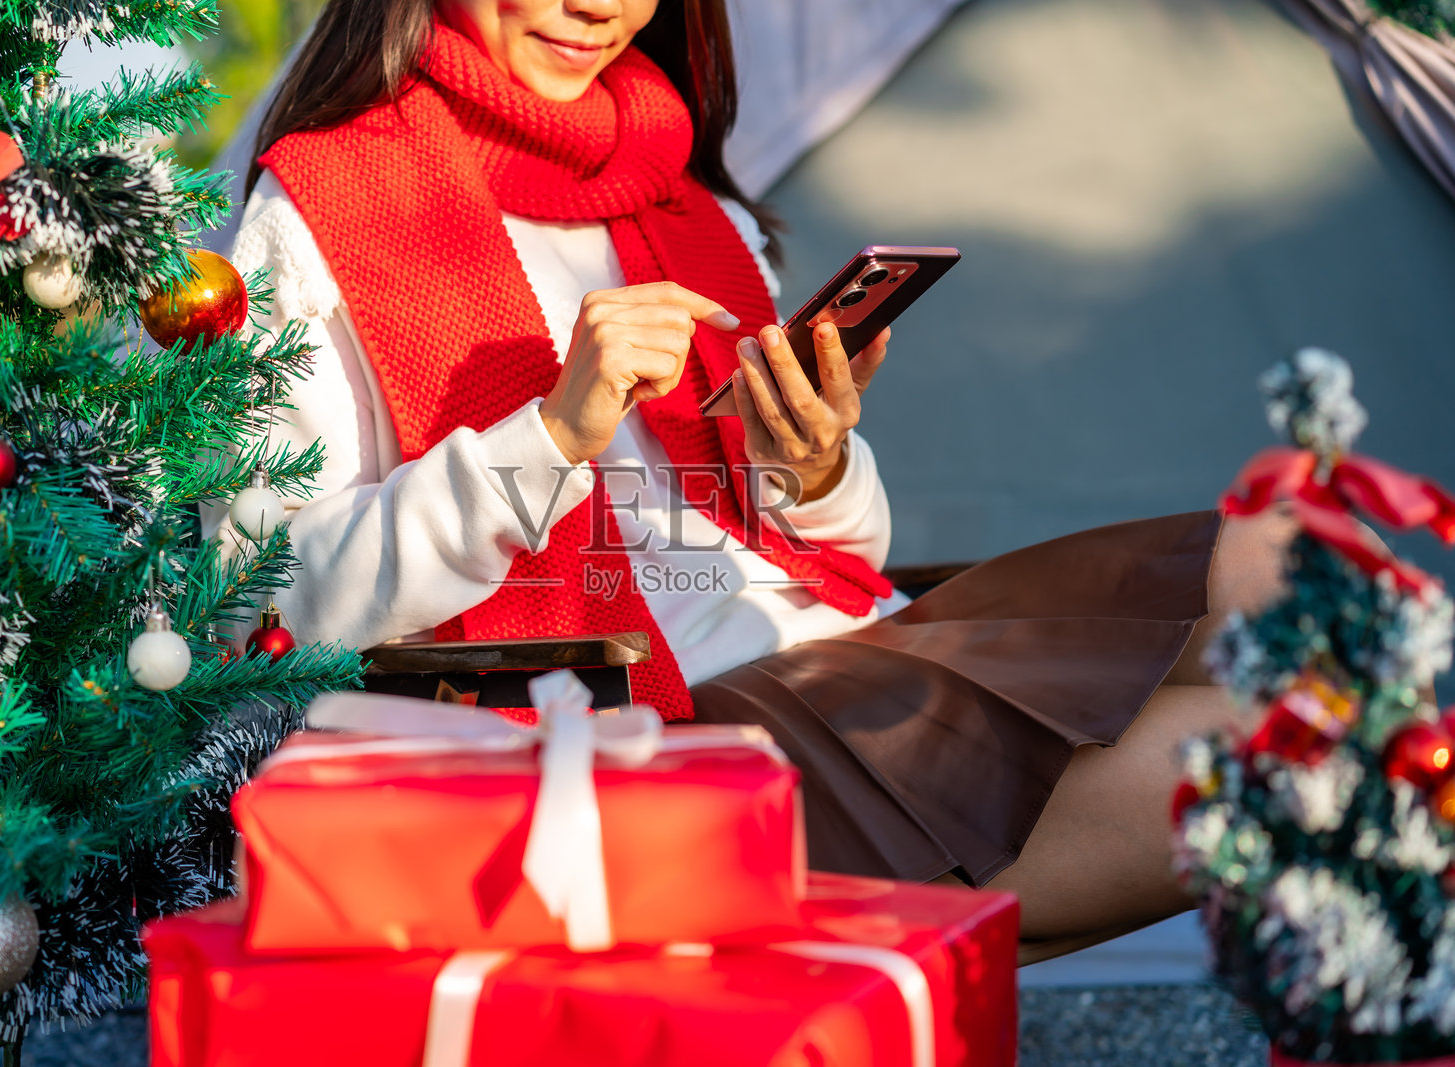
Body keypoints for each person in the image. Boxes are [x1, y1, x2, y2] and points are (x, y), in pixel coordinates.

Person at [221, 0, 1295, 961]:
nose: (599, 8)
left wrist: (813, 461)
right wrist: (548, 436)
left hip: (843, 641)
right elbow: (266, 601)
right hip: (660, 730)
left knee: (1285, 562)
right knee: (1265, 760)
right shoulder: (319, 207)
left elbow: (831, 557)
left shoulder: (689, 205)